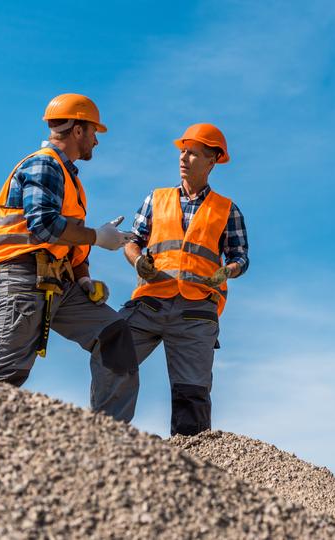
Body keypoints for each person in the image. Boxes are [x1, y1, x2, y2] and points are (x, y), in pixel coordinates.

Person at [91, 123, 249, 436]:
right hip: (150, 300)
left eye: (192, 154)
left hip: (197, 311)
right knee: (112, 352)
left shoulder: (226, 210)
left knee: (192, 393)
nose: (183, 158)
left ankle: (186, 465)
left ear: (212, 161)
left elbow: (240, 257)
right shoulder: (156, 199)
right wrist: (138, 261)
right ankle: (104, 438)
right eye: (182, 152)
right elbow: (132, 240)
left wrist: (227, 271)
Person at [0, 93, 138, 388]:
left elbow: (67, 239)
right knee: (4, 376)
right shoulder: (46, 165)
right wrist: (98, 237)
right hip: (22, 278)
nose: (96, 141)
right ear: (78, 130)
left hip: (57, 282)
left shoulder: (68, 177)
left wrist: (83, 278)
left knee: (113, 332)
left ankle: (109, 432)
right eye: (94, 132)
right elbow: (45, 226)